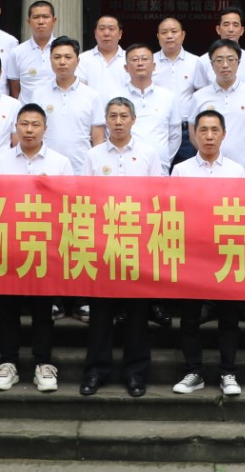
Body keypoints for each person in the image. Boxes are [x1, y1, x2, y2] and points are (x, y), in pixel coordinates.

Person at [80, 98, 165, 397]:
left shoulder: (148, 154)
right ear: (105, 120)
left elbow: (157, 198)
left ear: (133, 120)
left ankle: (136, 373)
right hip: (102, 242)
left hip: (137, 241)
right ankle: (96, 371)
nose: (118, 122)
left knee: (138, 313)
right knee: (100, 312)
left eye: (123, 116)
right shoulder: (93, 156)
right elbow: (85, 198)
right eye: (113, 116)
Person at [0, 104, 69, 392]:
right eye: (24, 124)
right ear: (16, 127)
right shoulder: (1, 161)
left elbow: (70, 203)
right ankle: (8, 363)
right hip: (10, 244)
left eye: (35, 124)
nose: (29, 130)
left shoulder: (60, 163)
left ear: (45, 128)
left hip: (44, 246)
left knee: (42, 310)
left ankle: (43, 364)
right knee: (8, 308)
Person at [169, 109, 245, 397]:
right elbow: (173, 209)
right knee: (190, 317)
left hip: (226, 251)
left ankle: (228, 372)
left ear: (224, 134)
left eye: (215, 130)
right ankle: (194, 371)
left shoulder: (237, 171)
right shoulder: (181, 170)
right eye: (203, 130)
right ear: (194, 134)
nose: (209, 136)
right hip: (192, 252)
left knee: (229, 316)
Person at [27, 35, 105, 175]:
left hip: (81, 168)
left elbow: (98, 140)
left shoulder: (92, 96)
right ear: (50, 60)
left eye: (68, 57)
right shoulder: (39, 94)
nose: (62, 62)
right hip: (46, 168)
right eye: (57, 57)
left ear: (78, 61)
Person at [190, 38, 245, 175]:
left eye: (231, 59)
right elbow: (192, 131)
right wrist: (208, 154)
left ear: (238, 62)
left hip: (244, 169)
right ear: (211, 64)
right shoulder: (199, 96)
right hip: (208, 170)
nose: (225, 65)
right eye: (219, 60)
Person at [117, 41, 181, 167]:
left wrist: (164, 160)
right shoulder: (116, 98)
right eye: (135, 60)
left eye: (145, 59)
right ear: (126, 68)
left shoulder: (168, 97)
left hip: (160, 167)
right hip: (125, 167)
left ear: (154, 66)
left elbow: (175, 135)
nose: (140, 63)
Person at [190, 8, 245, 90]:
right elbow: (200, 93)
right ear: (218, 29)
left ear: (242, 30)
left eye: (235, 25)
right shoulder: (203, 61)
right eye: (226, 24)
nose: (231, 29)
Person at [6, 0, 58, 99]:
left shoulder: (63, 51)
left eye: (45, 17)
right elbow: (14, 89)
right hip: (28, 108)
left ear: (54, 20)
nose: (41, 21)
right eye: (36, 17)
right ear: (29, 22)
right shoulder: (17, 52)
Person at [152, 16, 202, 103]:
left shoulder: (196, 61)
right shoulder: (149, 62)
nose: (169, 36)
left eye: (174, 31)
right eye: (164, 32)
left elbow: (202, 92)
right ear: (158, 36)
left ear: (183, 35)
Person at [77, 13, 129, 97]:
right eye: (101, 29)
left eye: (111, 29)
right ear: (95, 33)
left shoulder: (130, 59)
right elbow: (79, 90)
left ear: (120, 34)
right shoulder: (82, 59)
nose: (106, 33)